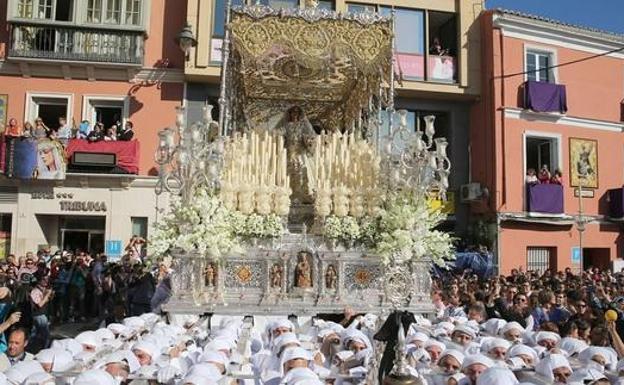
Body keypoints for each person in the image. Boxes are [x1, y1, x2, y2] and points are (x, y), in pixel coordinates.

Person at [30, 275, 53, 351]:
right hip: (39, 315)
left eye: (47, 279)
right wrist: (47, 295)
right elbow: (40, 304)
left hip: (42, 314)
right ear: (39, 281)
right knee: (46, 336)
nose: (46, 281)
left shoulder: (43, 290)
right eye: (43, 279)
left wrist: (49, 294)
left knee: (35, 334)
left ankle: (33, 349)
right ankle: (45, 350)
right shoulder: (35, 291)